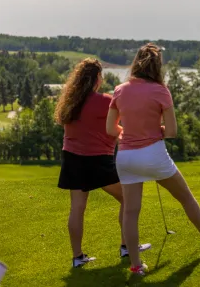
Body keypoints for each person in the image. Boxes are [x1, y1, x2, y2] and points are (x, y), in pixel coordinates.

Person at [106, 43, 200, 276]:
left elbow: (110, 128)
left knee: (131, 212)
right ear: (157, 65)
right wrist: (155, 130)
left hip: (126, 157)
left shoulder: (120, 89)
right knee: (186, 198)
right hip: (153, 154)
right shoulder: (161, 90)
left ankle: (135, 266)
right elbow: (172, 131)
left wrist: (131, 133)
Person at [55, 58, 151, 268]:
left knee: (77, 208)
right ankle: (126, 246)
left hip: (72, 158)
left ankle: (77, 258)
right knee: (128, 199)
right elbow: (117, 127)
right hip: (97, 160)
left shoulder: (70, 102)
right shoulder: (105, 101)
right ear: (97, 78)